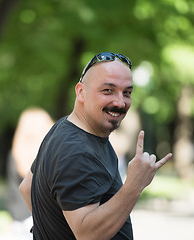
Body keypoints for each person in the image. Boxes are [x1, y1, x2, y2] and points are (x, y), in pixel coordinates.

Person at [19, 52, 172, 240]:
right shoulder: (77, 150)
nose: (120, 102)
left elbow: (27, 187)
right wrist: (134, 185)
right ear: (81, 92)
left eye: (127, 93)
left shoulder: (63, 126)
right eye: (108, 90)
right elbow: (88, 235)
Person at [6, 107, 54, 238]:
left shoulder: (15, 153)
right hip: (41, 217)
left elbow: (12, 190)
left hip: (18, 217)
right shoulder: (47, 155)